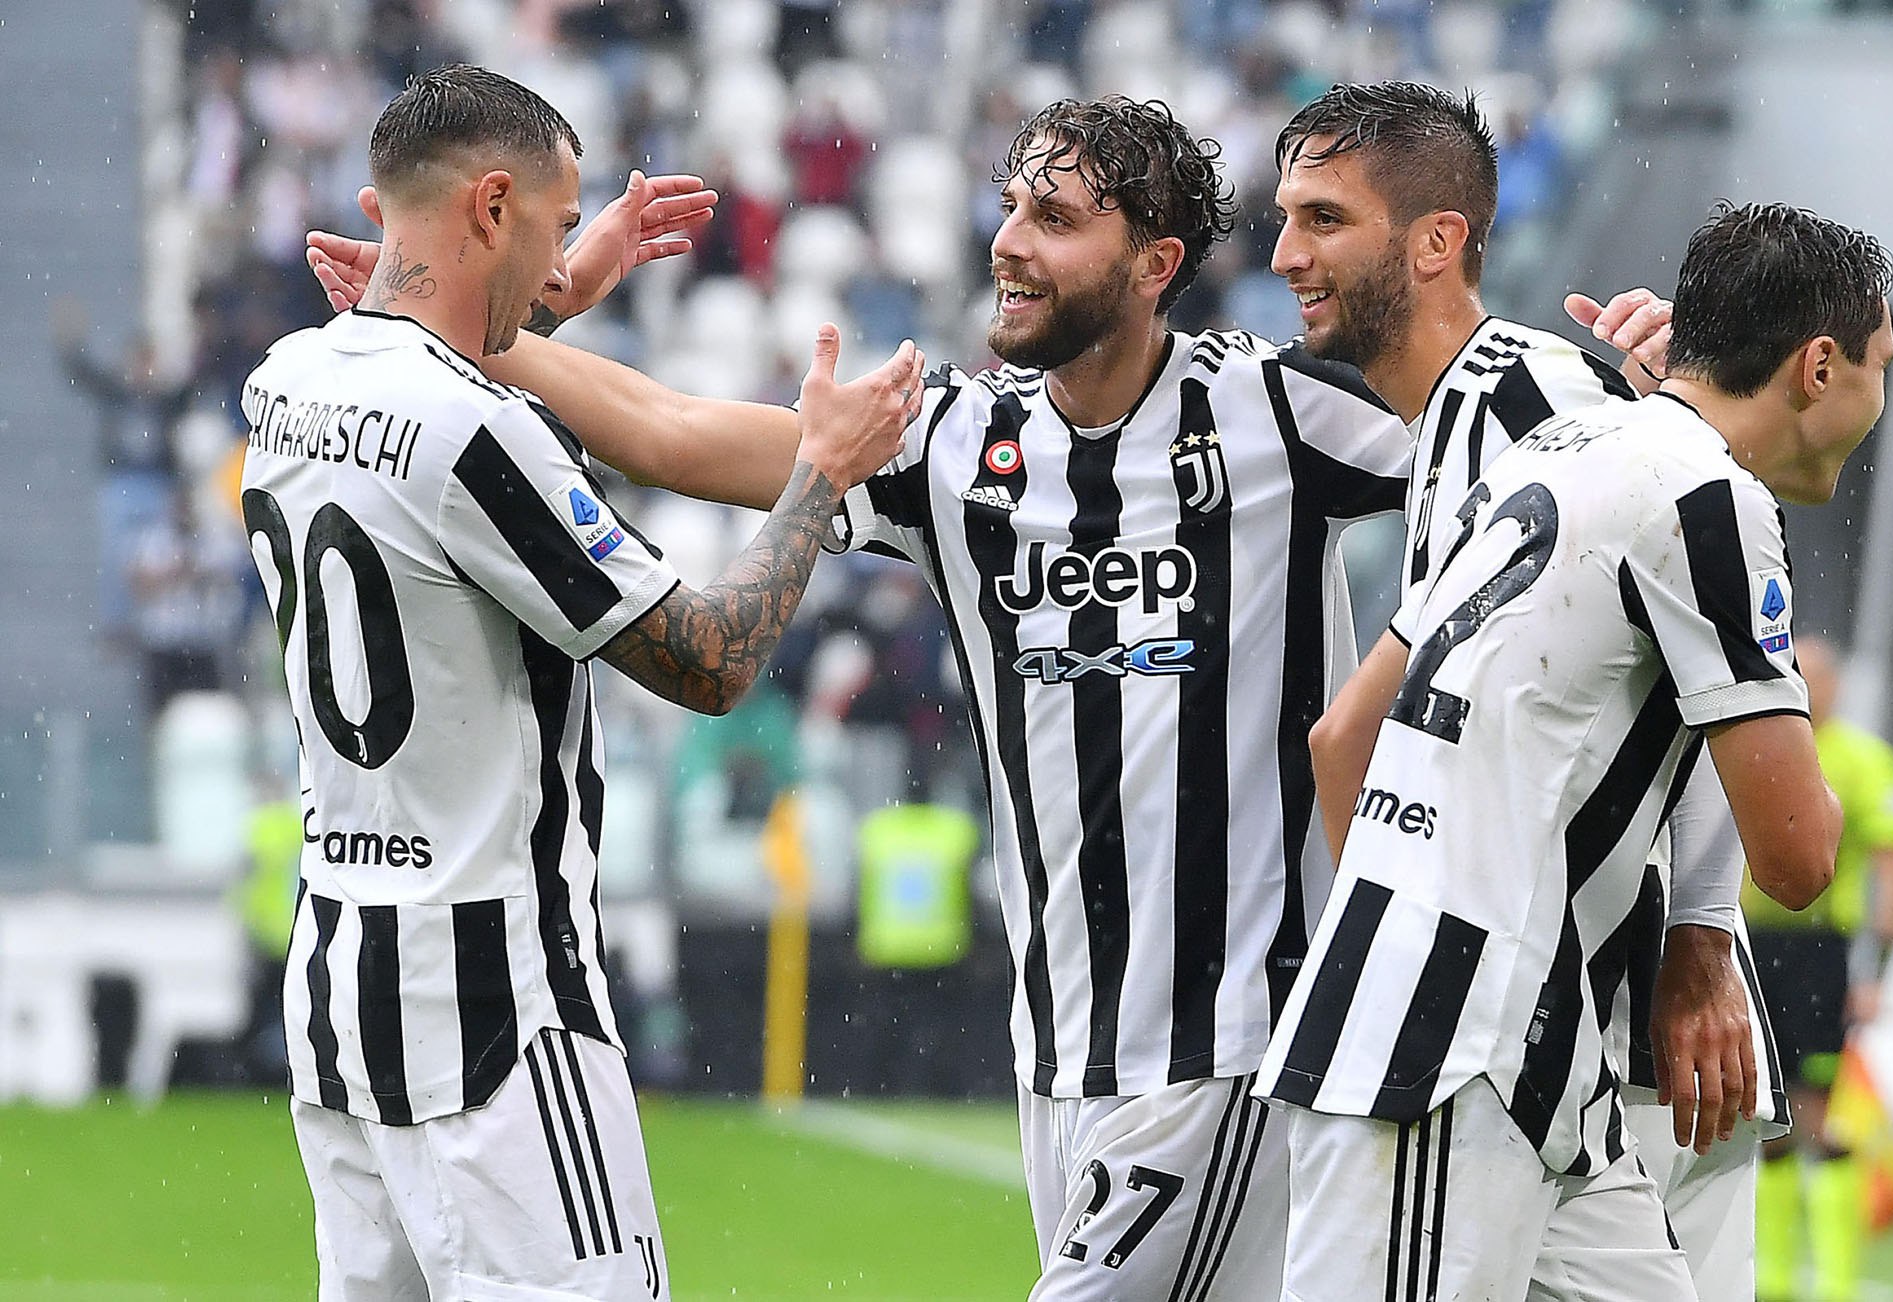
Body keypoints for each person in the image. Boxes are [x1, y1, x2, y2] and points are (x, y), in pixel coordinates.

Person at [305, 93, 1672, 1300]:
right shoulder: (957, 442)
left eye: (1055, 219)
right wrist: (453, 330)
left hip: (1227, 1047)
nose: (1010, 241)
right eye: (1011, 206)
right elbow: (672, 433)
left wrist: (1638, 393)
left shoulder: (1277, 414)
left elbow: (1544, 458)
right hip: (1062, 1052)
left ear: (1154, 266)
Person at [245, 64, 922, 1301]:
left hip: (342, 985)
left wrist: (548, 297)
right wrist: (819, 472)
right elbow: (710, 659)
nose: (564, 258)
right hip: (498, 1008)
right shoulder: (477, 432)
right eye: (556, 227)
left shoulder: (286, 381)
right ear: (492, 207)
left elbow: (428, 422)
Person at [1255, 200, 1893, 1300]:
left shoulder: (1552, 447)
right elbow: (1799, 860)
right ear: (1820, 365)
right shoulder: (1712, 499)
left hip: (1528, 1056)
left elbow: (1345, 734)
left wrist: (1398, 915)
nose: (1881, 398)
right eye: (1882, 365)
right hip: (1452, 1057)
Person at [1743, 635, 1893, 1302]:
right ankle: (1772, 1277)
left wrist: (1876, 972)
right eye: (1798, 675)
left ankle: (1837, 1284)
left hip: (1821, 952)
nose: (1807, 689)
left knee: (1818, 1115)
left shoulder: (1864, 760)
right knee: (1764, 1112)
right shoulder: (1751, 743)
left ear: (1839, 688)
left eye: (1817, 678)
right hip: (1751, 942)